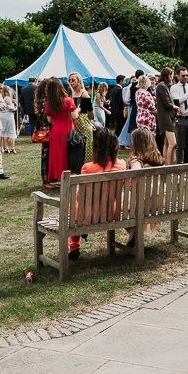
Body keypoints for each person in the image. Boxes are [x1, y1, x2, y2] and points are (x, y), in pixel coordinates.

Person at [68, 128, 126, 260]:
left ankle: (74, 246)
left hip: (89, 215)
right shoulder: (122, 164)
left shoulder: (87, 168)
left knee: (74, 206)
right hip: (113, 212)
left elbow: (80, 197)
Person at [128, 127, 164, 236]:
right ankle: (134, 235)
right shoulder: (158, 161)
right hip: (162, 202)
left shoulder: (136, 162)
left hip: (146, 203)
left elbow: (137, 174)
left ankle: (135, 234)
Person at [44, 77, 78, 185]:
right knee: (67, 153)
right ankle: (67, 176)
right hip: (67, 128)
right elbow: (75, 116)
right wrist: (78, 109)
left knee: (56, 153)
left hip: (56, 129)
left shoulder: (49, 103)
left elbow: (49, 119)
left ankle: (56, 175)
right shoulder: (68, 100)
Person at [171, 66, 188, 163]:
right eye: (183, 75)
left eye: (186, 75)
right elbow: (177, 102)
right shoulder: (173, 88)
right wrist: (187, 94)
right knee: (180, 145)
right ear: (178, 76)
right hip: (180, 119)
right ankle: (179, 164)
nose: (185, 77)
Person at [68, 72, 94, 163]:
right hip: (74, 123)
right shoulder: (72, 94)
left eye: (73, 80)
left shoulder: (84, 94)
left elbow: (90, 112)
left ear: (79, 81)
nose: (71, 82)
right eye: (69, 80)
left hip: (83, 123)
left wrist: (88, 121)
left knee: (86, 147)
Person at [155, 67, 178, 166]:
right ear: (168, 75)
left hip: (168, 117)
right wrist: (176, 107)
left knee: (167, 143)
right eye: (171, 74)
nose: (172, 77)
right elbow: (167, 104)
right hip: (165, 118)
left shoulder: (164, 86)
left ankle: (165, 165)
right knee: (173, 143)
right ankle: (169, 166)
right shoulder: (161, 86)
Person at [33, 78, 51, 187]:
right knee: (47, 155)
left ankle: (45, 179)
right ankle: (46, 179)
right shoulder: (47, 101)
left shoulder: (40, 100)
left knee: (45, 155)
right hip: (48, 129)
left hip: (43, 129)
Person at [0, 83, 18, 153]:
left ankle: (4, 148)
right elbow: (11, 108)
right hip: (8, 116)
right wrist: (15, 108)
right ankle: (12, 147)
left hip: (1, 116)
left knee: (3, 132)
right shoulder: (7, 98)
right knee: (11, 131)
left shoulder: (0, 98)